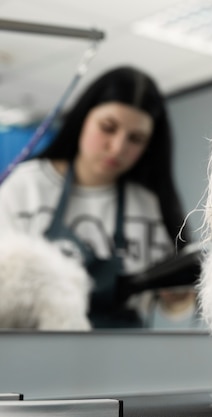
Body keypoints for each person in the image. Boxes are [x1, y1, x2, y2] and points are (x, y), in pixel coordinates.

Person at [0, 66, 192, 328]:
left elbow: (172, 305)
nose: (117, 147)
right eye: (108, 128)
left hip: (120, 360)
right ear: (83, 119)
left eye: (135, 139)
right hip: (33, 356)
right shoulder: (26, 186)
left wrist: (178, 297)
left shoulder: (147, 205)